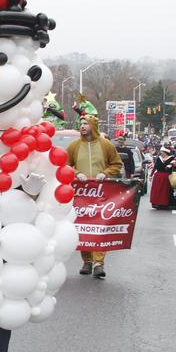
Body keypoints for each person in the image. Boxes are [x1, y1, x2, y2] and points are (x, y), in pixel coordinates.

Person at [66, 114, 123, 279]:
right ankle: (87, 261)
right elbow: (65, 164)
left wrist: (105, 174)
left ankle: (99, 262)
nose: (82, 126)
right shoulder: (74, 146)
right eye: (81, 123)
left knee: (100, 226)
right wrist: (76, 173)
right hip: (82, 194)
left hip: (102, 193)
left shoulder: (106, 145)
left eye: (85, 123)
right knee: (83, 226)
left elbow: (117, 164)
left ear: (93, 125)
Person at [150, 146, 176, 211]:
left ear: (166, 152)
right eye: (161, 152)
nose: (161, 153)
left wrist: (175, 164)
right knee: (158, 191)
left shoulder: (172, 158)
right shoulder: (158, 158)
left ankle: (169, 205)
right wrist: (151, 175)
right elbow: (155, 167)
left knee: (168, 191)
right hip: (158, 178)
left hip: (168, 177)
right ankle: (158, 204)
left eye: (162, 152)